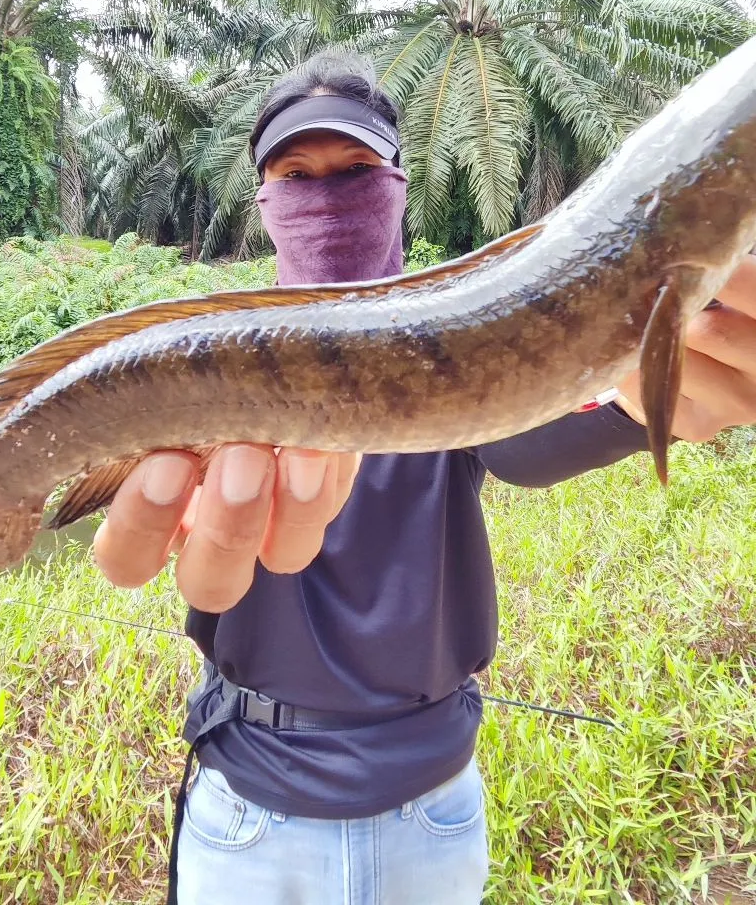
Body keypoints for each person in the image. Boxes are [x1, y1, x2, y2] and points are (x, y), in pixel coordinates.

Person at [89, 49, 756, 905]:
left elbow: (536, 438)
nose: (328, 191)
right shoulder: (215, 362)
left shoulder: (464, 355)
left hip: (428, 811)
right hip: (252, 810)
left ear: (397, 185)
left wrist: (650, 392)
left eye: (356, 168)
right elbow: (138, 504)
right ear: (266, 202)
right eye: (299, 173)